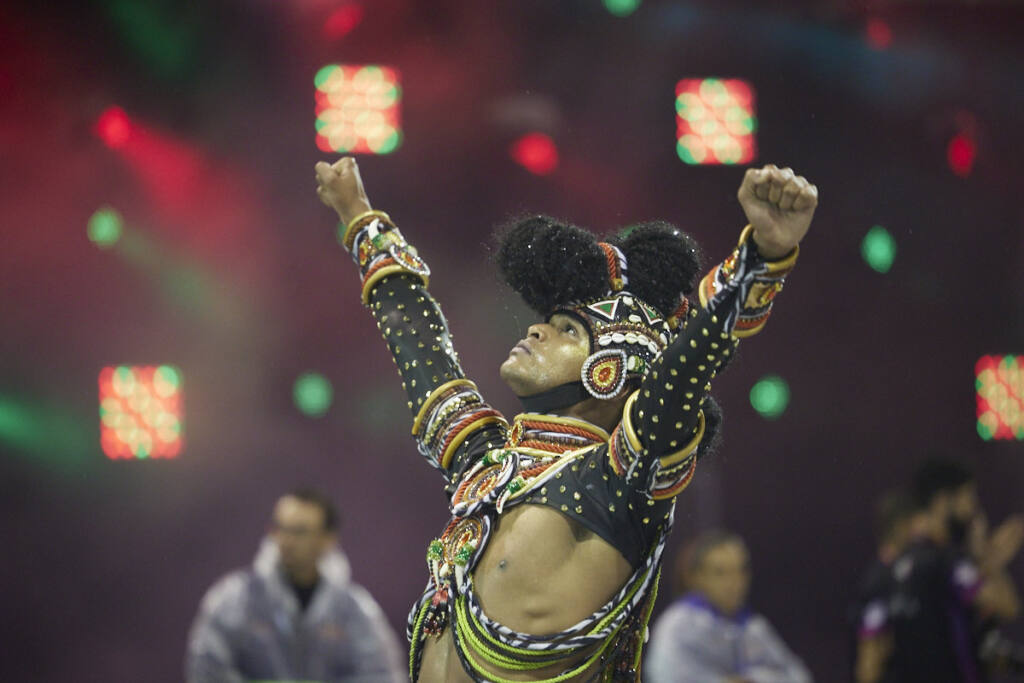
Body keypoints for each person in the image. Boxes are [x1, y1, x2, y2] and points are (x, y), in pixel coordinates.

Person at [315, 157, 818, 681]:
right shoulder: (485, 462)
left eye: (567, 330)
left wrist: (762, 257)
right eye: (546, 322)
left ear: (614, 370)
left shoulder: (623, 478)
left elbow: (691, 361)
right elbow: (416, 339)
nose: (537, 332)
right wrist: (357, 213)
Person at [185, 490, 405, 683]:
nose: (287, 541)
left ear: (327, 539)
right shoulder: (235, 600)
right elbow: (206, 669)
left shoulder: (354, 611)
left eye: (300, 532)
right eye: (281, 529)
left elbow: (382, 674)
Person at [860, 458, 1022, 683]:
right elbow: (1008, 606)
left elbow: (869, 663)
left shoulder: (891, 569)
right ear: (942, 501)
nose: (972, 509)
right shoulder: (946, 563)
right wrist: (990, 559)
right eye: (968, 498)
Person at [644, 531, 811, 683]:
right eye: (720, 572)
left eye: (740, 570)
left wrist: (753, 679)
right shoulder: (678, 626)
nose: (734, 582)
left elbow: (797, 675)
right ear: (696, 577)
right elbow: (665, 677)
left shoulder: (753, 627)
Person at [851, 489, 923, 683]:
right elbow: (867, 671)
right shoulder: (880, 582)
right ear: (902, 526)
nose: (922, 537)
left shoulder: (908, 576)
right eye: (918, 528)